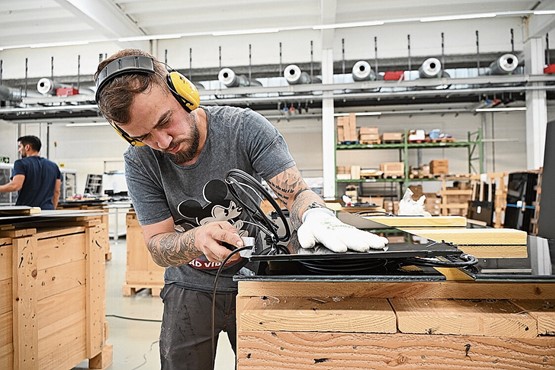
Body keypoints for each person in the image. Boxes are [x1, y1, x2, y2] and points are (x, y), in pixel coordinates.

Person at [94, 48, 388, 369]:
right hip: (189, 285)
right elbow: (157, 244)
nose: (163, 142)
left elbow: (297, 194)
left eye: (165, 121)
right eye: (143, 137)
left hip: (258, 276)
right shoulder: (139, 160)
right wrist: (195, 240)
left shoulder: (243, 128)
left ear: (183, 93)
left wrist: (317, 216)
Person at [0, 135, 61, 210]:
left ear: (27, 147)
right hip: (47, 211)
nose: (19, 150)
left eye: (20, 147)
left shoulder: (20, 163)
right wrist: (52, 210)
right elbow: (57, 191)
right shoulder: (54, 166)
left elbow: (15, 186)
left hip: (26, 212)